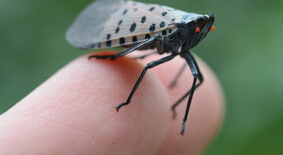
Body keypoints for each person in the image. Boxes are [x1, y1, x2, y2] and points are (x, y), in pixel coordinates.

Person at [0, 51, 224, 154]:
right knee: (147, 66)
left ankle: (179, 111)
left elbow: (184, 58)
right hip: (156, 36)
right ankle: (125, 88)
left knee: (199, 78)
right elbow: (150, 60)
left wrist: (178, 110)